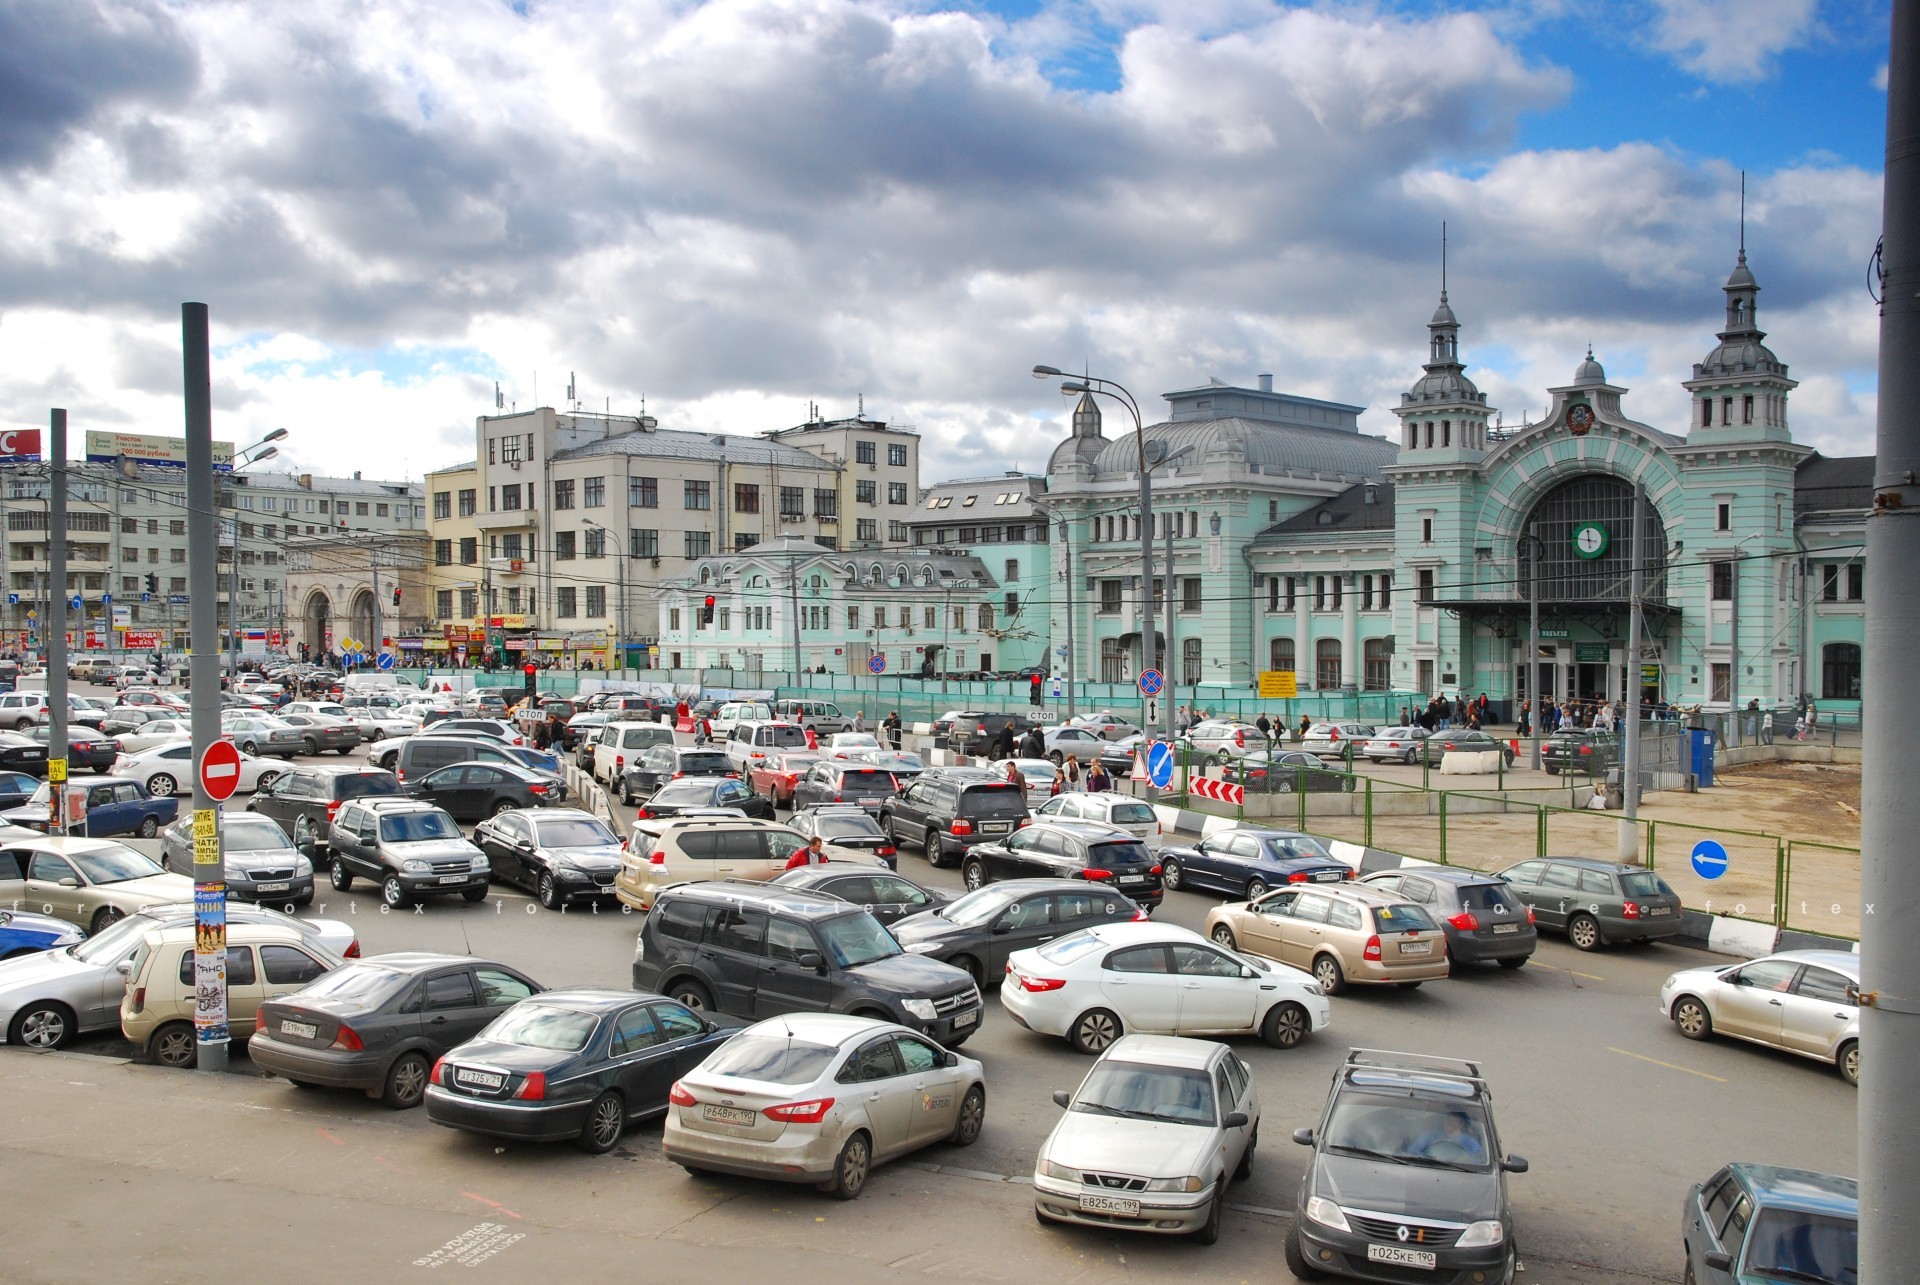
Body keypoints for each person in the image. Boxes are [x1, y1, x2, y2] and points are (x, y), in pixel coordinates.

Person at [1409, 1111, 1487, 1163]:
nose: (1449, 1125)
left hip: (1459, 1173)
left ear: (1461, 1124)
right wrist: (1430, 1159)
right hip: (1428, 1168)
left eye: (1453, 1123)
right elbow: (1413, 1151)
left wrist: (1458, 1161)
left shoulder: (1470, 1142)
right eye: (1448, 1121)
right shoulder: (1430, 1135)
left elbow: (1479, 1161)